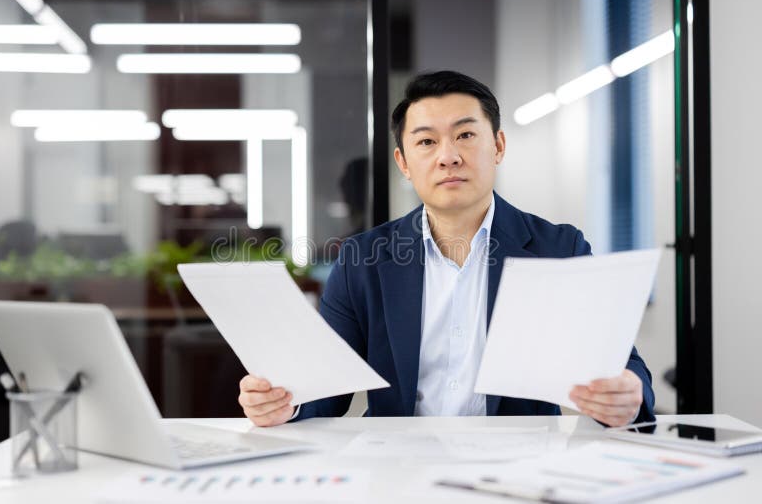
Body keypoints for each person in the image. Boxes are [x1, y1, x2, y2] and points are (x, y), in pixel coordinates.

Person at [238, 70, 655, 428]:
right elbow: (322, 389)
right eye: (426, 142)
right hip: (397, 469)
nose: (448, 156)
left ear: (499, 146)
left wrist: (629, 394)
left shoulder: (558, 248)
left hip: (522, 464)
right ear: (403, 162)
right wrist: (281, 401)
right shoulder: (362, 258)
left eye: (466, 135)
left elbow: (621, 363)